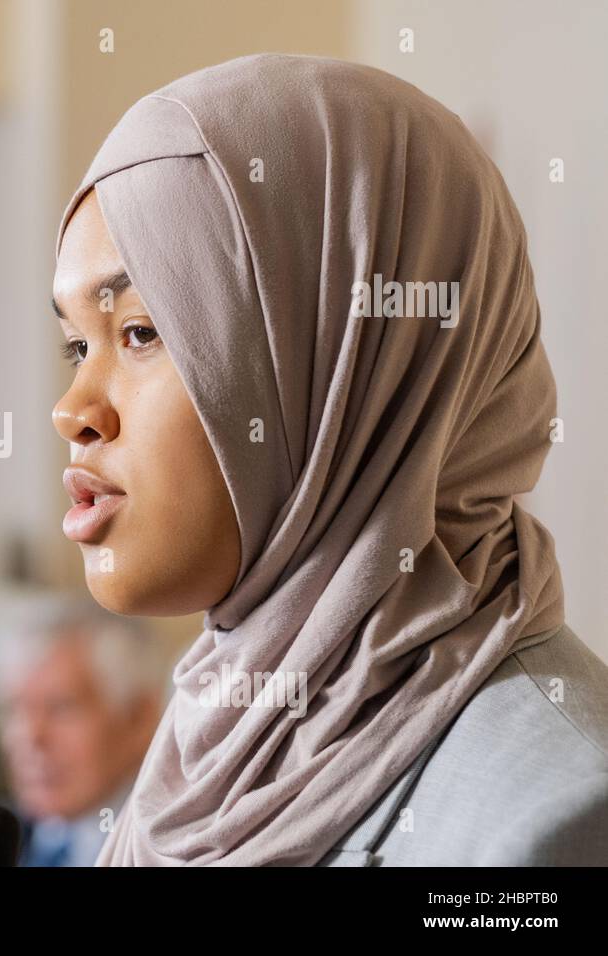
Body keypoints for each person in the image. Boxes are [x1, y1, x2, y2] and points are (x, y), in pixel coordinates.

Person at [50, 53, 608, 865]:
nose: (73, 412)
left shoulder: (549, 823)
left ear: (356, 363)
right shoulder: (216, 738)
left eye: (141, 332)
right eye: (75, 344)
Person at [0, 604, 162, 866]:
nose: (30, 736)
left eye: (61, 707)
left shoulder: (183, 849)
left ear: (139, 718)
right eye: (15, 708)